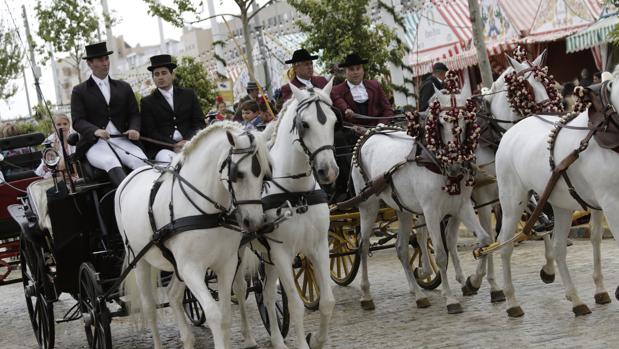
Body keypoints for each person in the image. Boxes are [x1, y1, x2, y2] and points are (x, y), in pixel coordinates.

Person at [71, 41, 147, 186]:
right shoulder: (79, 91)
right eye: (100, 60)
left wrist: (134, 128)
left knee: (140, 160)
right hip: (96, 144)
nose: (105, 63)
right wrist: (95, 131)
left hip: (123, 140)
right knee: (110, 161)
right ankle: (126, 201)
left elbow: (134, 114)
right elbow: (77, 121)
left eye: (106, 59)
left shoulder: (124, 87)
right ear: (90, 64)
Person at [140, 54, 206, 163]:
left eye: (164, 73)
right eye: (156, 74)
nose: (160, 77)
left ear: (173, 74)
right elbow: (151, 132)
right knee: (172, 164)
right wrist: (173, 144)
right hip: (163, 149)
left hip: (191, 144)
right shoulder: (147, 102)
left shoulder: (189, 95)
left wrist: (188, 140)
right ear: (153, 78)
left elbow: (199, 123)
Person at [330, 53, 394, 127]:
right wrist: (346, 110)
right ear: (345, 72)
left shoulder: (375, 85)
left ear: (363, 70)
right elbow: (340, 104)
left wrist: (381, 125)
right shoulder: (336, 90)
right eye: (351, 69)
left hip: (377, 131)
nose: (356, 72)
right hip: (352, 134)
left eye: (358, 68)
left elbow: (388, 109)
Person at [35, 114, 76, 179]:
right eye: (59, 124)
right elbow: (47, 163)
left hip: (75, 171)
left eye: (65, 124)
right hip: (58, 173)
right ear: (53, 127)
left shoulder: (75, 136)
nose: (62, 126)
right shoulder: (49, 140)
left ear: (69, 125)